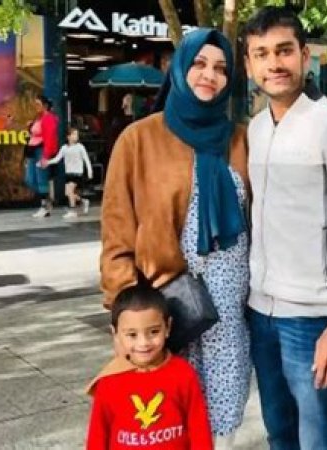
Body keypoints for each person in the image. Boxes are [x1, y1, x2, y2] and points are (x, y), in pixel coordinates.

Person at [101, 29, 250, 449]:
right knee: (161, 420)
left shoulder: (241, 138)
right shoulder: (139, 138)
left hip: (228, 314)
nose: (209, 75)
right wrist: (124, 311)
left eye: (220, 68)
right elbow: (116, 228)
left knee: (221, 421)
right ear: (179, 69)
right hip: (166, 306)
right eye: (199, 64)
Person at [242, 7, 327, 449]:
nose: (274, 63)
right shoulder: (256, 129)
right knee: (279, 433)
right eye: (261, 54)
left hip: (314, 315)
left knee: (321, 438)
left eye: (284, 50)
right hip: (260, 310)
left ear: (305, 55)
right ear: (249, 65)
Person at [85, 282, 213, 449]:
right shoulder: (109, 381)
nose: (143, 343)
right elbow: (97, 437)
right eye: (132, 334)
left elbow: (199, 428)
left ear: (167, 327)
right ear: (115, 333)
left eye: (154, 332)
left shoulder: (183, 373)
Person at [46, 127, 93, 219]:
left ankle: (73, 211)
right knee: (68, 193)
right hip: (68, 173)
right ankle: (83, 201)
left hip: (77, 173)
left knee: (70, 191)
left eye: (77, 134)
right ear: (68, 136)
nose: (76, 136)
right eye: (74, 134)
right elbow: (57, 159)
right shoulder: (64, 148)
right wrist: (47, 162)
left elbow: (86, 159)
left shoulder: (80, 147)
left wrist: (89, 171)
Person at [24, 95, 59, 218]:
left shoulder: (48, 118)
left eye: (38, 104)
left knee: (41, 179)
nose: (36, 107)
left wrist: (45, 156)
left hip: (41, 150)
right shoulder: (38, 118)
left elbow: (50, 138)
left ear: (45, 105)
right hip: (32, 150)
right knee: (30, 179)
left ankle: (44, 206)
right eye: (35, 104)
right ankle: (47, 200)